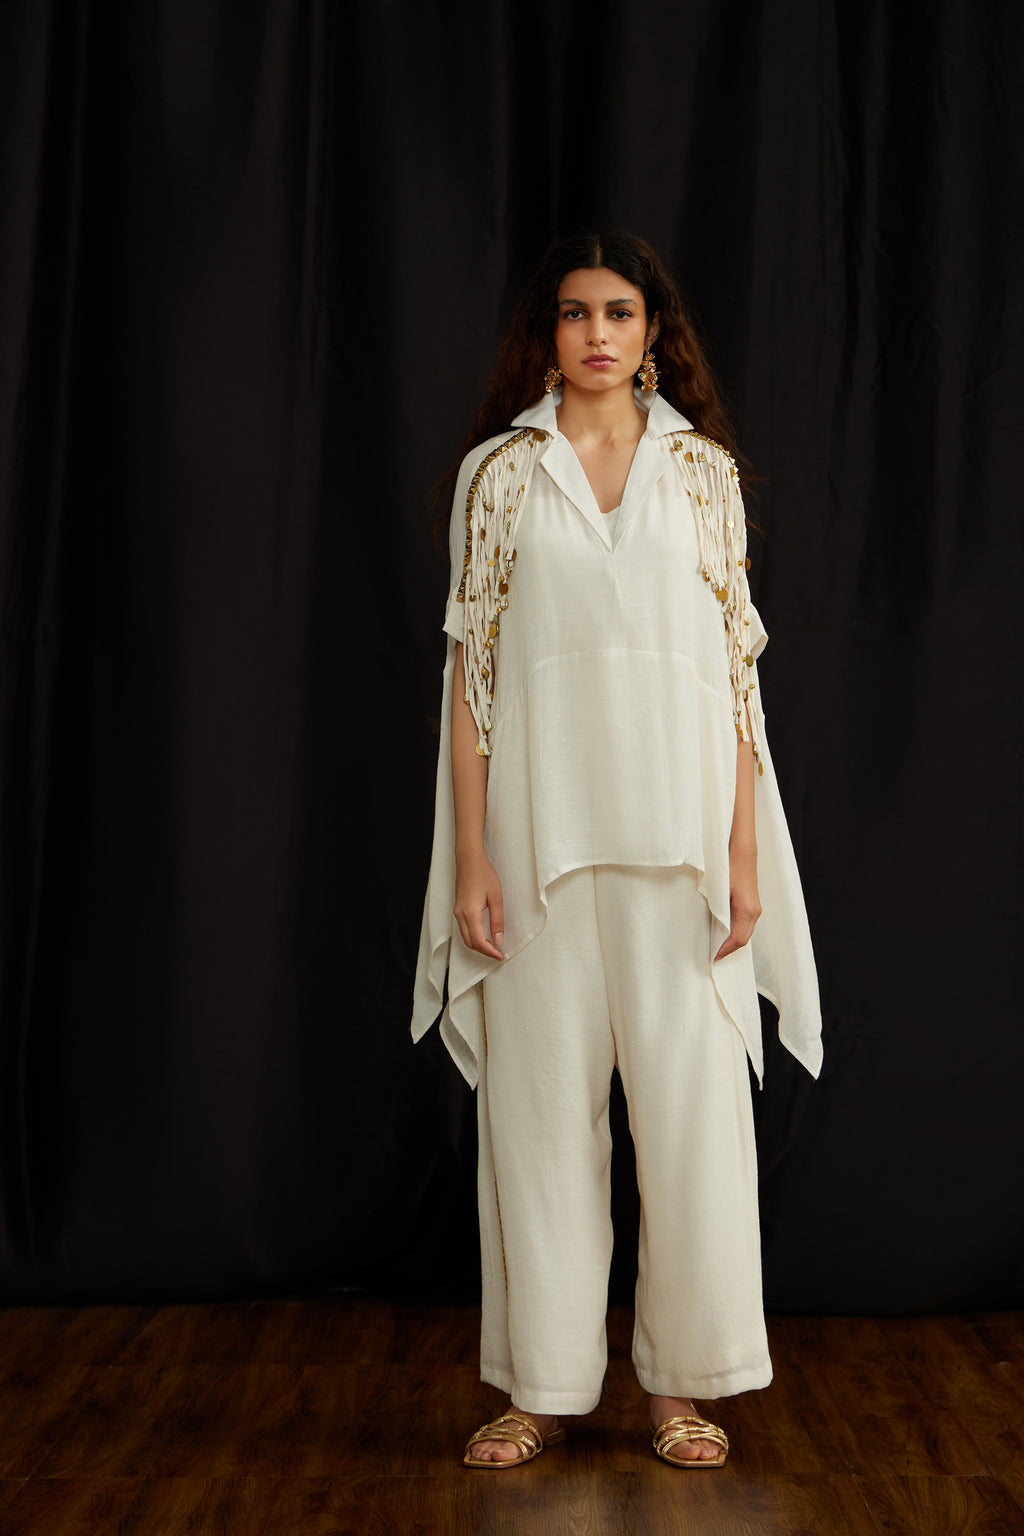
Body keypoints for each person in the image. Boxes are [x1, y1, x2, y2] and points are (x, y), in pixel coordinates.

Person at [411, 230, 822, 1469]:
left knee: (693, 1125)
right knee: (538, 1125)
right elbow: (471, 674)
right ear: (547, 335)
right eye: (575, 312)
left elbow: (737, 679)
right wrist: (473, 858)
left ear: (653, 333)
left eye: (620, 312)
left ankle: (681, 1392)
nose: (597, 333)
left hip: (681, 846)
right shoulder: (498, 474)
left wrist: (741, 857)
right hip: (536, 843)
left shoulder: (702, 474)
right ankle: (539, 1388)